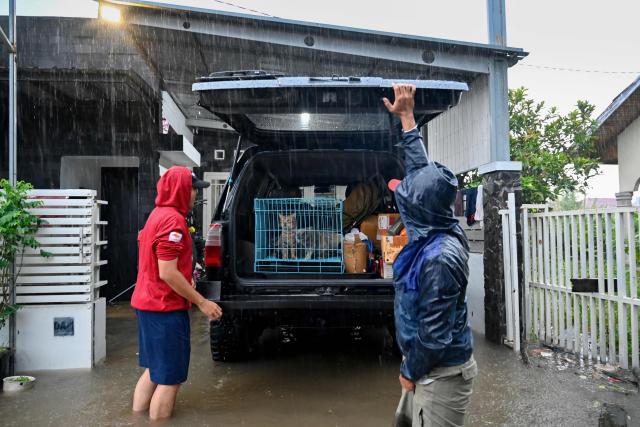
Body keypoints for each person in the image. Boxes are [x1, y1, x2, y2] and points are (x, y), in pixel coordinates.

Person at [383, 84, 476, 427]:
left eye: (403, 199)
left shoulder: (439, 257)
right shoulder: (438, 221)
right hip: (430, 369)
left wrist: (409, 370)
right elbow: (424, 174)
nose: (399, 202)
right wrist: (407, 118)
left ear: (418, 209)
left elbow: (434, 336)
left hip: (441, 376)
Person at [130, 166, 223, 420]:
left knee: (153, 370)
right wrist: (202, 302)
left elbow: (159, 267)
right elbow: (167, 272)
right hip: (165, 309)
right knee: (170, 379)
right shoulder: (173, 220)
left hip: (147, 305)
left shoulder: (157, 215)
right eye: (193, 188)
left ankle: (136, 420)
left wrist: (186, 282)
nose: (195, 194)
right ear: (181, 189)